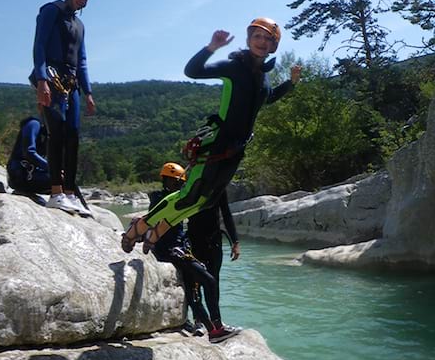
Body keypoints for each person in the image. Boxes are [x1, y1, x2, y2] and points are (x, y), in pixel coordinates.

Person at [121, 17, 301, 253]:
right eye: (257, 36)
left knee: (207, 201)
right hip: (217, 144)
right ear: (248, 39)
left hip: (236, 149)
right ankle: (139, 227)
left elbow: (266, 98)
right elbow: (192, 71)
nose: (261, 41)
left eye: (267, 38)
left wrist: (291, 83)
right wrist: (212, 48)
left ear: (273, 45)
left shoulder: (263, 76)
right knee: (189, 195)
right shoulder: (235, 67)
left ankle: (158, 231)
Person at [148, 162, 240, 343]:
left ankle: (214, 326)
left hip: (205, 242)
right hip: (187, 244)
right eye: (175, 182)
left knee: (211, 281)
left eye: (179, 182)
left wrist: (235, 241)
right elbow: (153, 220)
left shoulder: (215, 190)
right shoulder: (184, 195)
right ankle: (209, 326)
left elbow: (226, 214)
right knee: (195, 286)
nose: (179, 185)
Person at [31, 0, 96, 214]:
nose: (83, 0)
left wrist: (87, 91)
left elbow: (83, 60)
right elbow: (39, 44)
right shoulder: (51, 11)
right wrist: (41, 80)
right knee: (56, 133)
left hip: (72, 81)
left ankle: (70, 192)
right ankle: (56, 192)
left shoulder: (80, 25)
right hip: (51, 75)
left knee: (73, 136)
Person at [187, 190, 239, 312]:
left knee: (214, 280)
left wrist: (235, 241)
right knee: (195, 281)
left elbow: (226, 214)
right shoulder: (192, 186)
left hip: (214, 240)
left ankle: (216, 321)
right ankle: (198, 320)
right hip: (194, 240)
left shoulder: (218, 187)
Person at [6, 116, 51, 196]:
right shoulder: (34, 124)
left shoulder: (47, 133)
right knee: (60, 179)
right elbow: (29, 152)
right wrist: (52, 170)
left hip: (30, 173)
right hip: (20, 174)